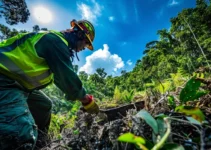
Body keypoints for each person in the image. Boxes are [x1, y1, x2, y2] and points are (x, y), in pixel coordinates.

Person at [0, 19, 99, 150]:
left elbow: (60, 78)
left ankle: (40, 145)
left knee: (44, 105)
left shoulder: (57, 43)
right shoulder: (54, 41)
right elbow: (65, 78)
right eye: (86, 43)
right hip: (4, 80)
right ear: (79, 35)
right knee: (18, 133)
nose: (83, 48)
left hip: (19, 85)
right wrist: (86, 100)